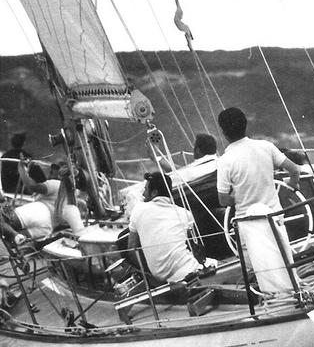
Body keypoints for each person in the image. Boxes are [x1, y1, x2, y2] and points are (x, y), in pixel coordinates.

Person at [216, 107, 301, 295]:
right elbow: (295, 170)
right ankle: (294, 288)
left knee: (261, 266)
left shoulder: (225, 161)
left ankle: (271, 295)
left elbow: (223, 200)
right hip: (274, 216)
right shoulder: (266, 146)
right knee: (283, 257)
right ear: (245, 125)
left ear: (223, 132)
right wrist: (290, 191)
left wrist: (242, 197)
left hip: (248, 224)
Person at [128, 171, 203, 283]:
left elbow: (131, 249)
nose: (143, 194)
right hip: (189, 270)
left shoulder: (138, 210)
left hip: (162, 278)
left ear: (154, 193)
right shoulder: (184, 214)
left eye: (145, 189)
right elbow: (193, 246)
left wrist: (150, 276)